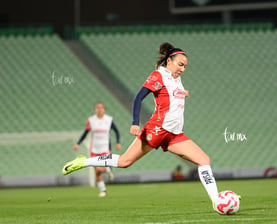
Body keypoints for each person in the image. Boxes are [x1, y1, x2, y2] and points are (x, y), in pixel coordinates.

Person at [63, 42, 219, 207]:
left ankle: (217, 201)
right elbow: (138, 97)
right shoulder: (158, 76)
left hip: (173, 133)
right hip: (157, 129)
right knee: (124, 162)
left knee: (204, 160)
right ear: (169, 62)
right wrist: (135, 123)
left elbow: (171, 95)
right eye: (180, 65)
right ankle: (84, 161)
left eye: (185, 66)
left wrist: (183, 93)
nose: (182, 69)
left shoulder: (176, 79)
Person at [73, 102, 122, 197]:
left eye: (101, 108)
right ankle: (103, 189)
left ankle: (107, 170)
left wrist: (118, 142)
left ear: (104, 109)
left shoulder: (109, 120)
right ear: (95, 110)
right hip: (94, 148)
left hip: (105, 148)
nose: (99, 109)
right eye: (97, 108)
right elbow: (85, 133)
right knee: (96, 170)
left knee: (100, 167)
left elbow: (116, 131)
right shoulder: (91, 120)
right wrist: (77, 144)